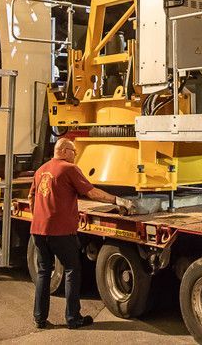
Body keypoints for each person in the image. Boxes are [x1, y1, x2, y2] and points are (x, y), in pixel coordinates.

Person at [31, 138, 133, 329]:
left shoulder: (41, 170)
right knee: (72, 269)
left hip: (38, 230)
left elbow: (32, 198)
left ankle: (39, 318)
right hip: (60, 231)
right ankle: (73, 318)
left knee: (43, 272)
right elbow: (91, 192)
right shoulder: (69, 169)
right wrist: (117, 200)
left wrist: (40, 220)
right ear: (63, 151)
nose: (75, 155)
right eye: (73, 151)